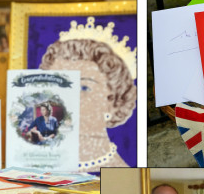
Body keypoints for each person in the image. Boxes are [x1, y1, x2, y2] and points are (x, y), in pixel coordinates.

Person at [40, 37, 135, 169]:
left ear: (112, 100)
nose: (65, 100)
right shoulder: (34, 165)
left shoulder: (121, 176)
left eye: (83, 88)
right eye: (57, 87)